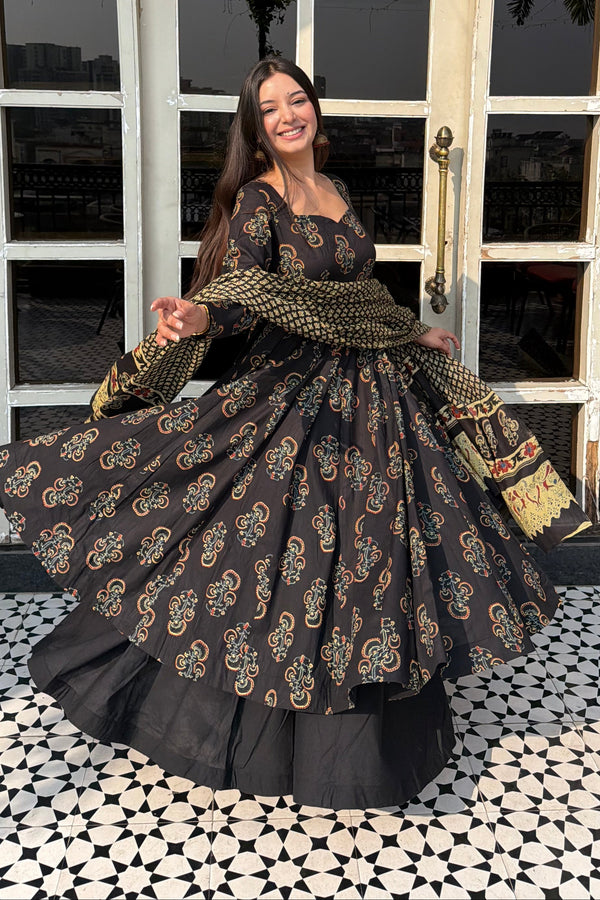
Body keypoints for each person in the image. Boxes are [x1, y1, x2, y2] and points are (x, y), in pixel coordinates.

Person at [0, 57, 590, 810]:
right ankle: (261, 727)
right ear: (256, 126)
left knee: (372, 554)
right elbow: (245, 289)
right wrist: (199, 317)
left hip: (374, 396)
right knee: (283, 556)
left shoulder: (335, 190)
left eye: (298, 100)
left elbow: (358, 291)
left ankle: (366, 735)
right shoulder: (259, 200)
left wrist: (412, 333)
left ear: (316, 110)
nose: (288, 115)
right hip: (299, 399)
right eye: (270, 107)